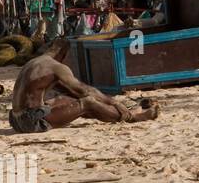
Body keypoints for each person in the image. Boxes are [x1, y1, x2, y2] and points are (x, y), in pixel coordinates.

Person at [8, 39, 159, 133]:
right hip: (30, 122)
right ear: (63, 55)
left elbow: (71, 92)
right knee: (88, 103)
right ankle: (133, 117)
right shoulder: (56, 67)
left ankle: (123, 112)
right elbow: (86, 91)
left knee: (67, 100)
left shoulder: (34, 63)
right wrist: (114, 102)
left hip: (15, 120)